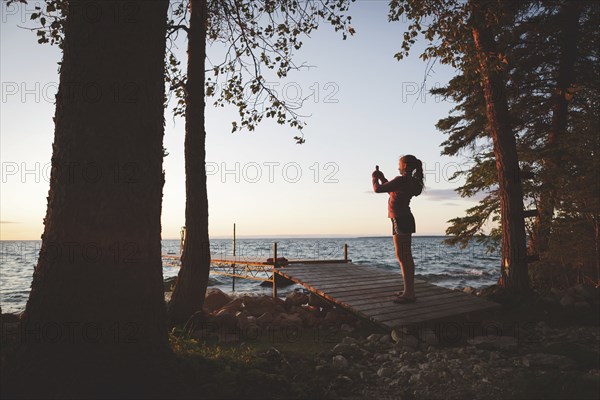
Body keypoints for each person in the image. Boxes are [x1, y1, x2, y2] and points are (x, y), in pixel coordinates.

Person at [372, 155, 424, 304]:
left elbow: (378, 189)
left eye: (399, 165)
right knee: (405, 256)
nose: (398, 167)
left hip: (400, 219)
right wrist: (382, 177)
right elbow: (391, 190)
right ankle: (408, 290)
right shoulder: (413, 182)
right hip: (404, 219)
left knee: (403, 256)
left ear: (405, 166)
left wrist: (375, 177)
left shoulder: (401, 180)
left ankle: (409, 293)